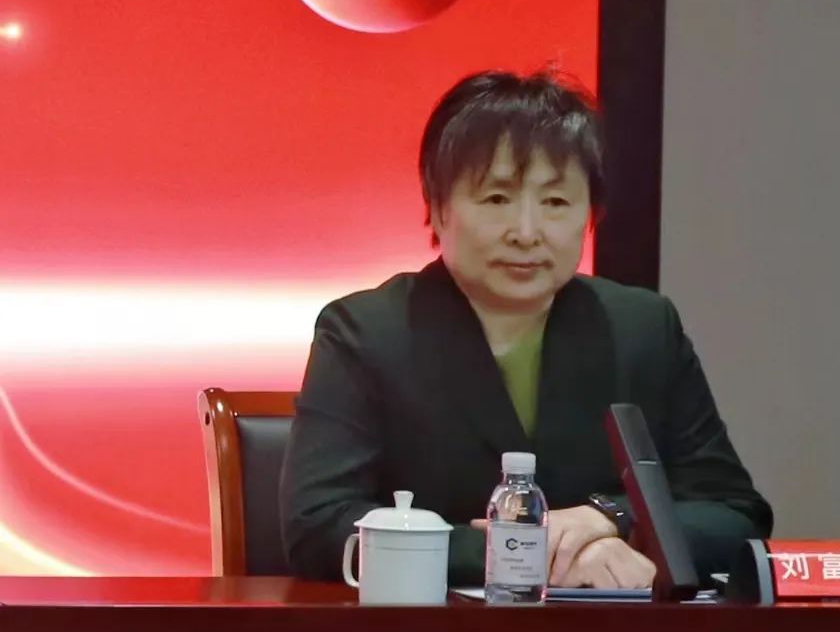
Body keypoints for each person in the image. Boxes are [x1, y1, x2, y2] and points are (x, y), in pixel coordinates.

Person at [279, 70, 773, 588]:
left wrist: (609, 518)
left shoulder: (643, 328)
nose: (527, 232)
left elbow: (734, 512)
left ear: (589, 215)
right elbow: (318, 526)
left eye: (556, 203)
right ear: (438, 208)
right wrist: (522, 551)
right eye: (496, 199)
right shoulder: (365, 333)